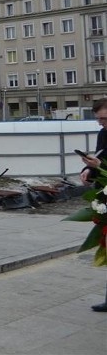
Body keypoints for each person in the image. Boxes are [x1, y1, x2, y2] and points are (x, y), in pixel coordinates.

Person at [79, 97, 107, 312]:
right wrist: (90, 169)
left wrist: (100, 165)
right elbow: (100, 159)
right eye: (99, 119)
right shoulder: (103, 133)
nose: (101, 123)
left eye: (104, 118)